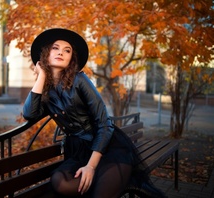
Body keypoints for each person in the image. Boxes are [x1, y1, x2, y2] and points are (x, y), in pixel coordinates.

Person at [23, 28, 166, 198]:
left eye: (67, 50)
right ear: (45, 53)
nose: (61, 52)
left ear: (71, 59)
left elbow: (105, 124)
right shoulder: (45, 91)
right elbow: (29, 114)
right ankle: (112, 180)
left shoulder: (80, 80)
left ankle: (119, 178)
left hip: (107, 148)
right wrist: (42, 76)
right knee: (59, 182)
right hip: (78, 153)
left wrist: (91, 166)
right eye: (55, 48)